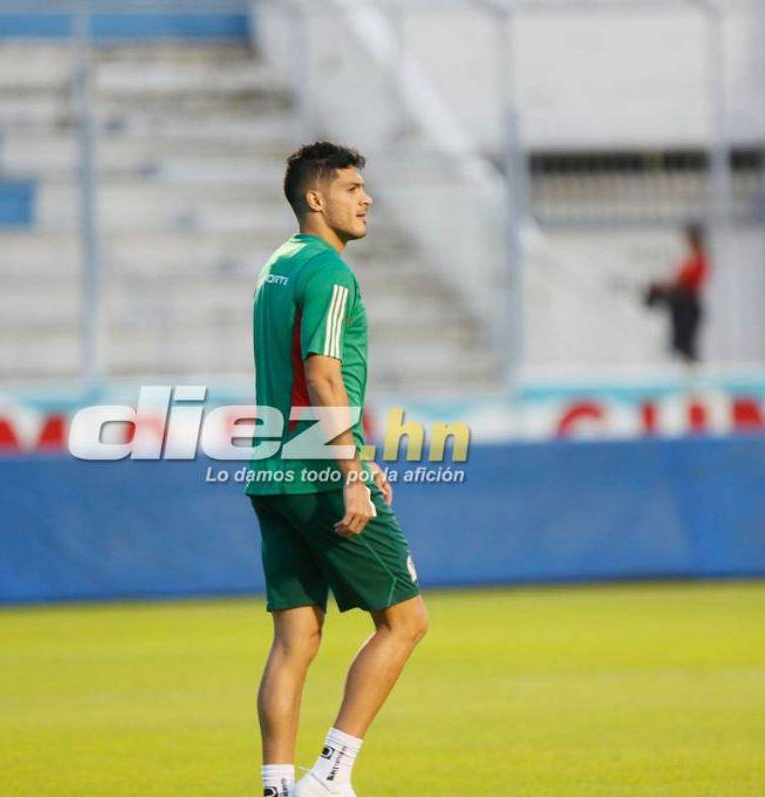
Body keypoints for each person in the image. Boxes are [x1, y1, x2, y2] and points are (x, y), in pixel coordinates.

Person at [247, 141, 429, 797]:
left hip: (272, 469)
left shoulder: (277, 265)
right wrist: (351, 468)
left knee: (296, 636)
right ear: (315, 199)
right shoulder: (329, 272)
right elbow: (323, 375)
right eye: (352, 187)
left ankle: (276, 786)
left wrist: (362, 456)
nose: (367, 197)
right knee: (406, 621)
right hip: (320, 471)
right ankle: (328, 776)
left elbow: (300, 379)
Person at [645, 223, 710, 363]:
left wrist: (665, 288)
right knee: (680, 345)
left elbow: (685, 283)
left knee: (686, 345)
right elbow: (678, 281)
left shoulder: (699, 259)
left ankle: (692, 378)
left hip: (688, 306)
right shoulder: (691, 259)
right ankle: (687, 375)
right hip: (680, 306)